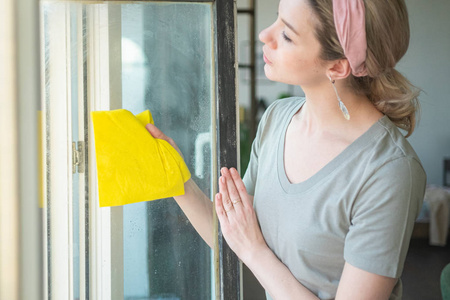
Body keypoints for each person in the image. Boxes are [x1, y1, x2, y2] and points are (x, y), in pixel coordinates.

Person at [145, 0, 427, 299]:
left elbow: (249, 245)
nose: (265, 35)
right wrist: (176, 179)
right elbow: (235, 236)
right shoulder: (277, 118)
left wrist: (255, 252)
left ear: (337, 66)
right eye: (277, 19)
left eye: (287, 35)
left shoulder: (390, 171)